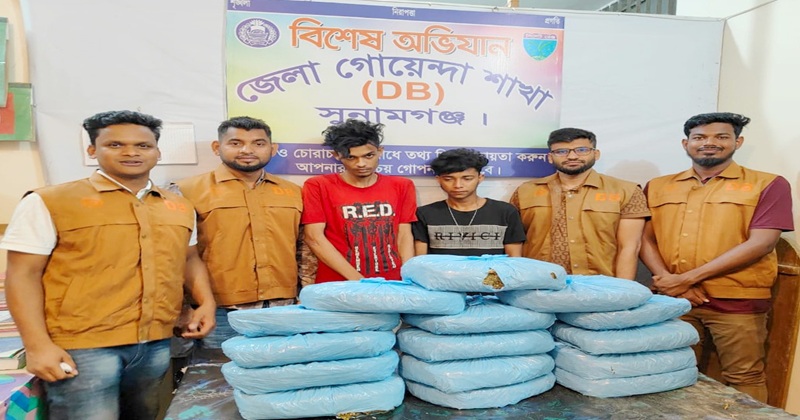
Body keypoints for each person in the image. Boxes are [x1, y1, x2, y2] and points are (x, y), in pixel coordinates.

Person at [0, 110, 216, 419]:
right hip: (83, 347)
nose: (131, 152)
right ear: (92, 150)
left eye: (142, 145)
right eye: (115, 145)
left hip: (155, 342)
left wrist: (205, 303)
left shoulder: (178, 206)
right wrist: (36, 346)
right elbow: (22, 275)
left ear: (157, 152)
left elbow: (189, 258)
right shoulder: (50, 201)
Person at [640, 112, 793, 403]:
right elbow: (644, 239)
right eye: (699, 137)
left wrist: (686, 279)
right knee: (671, 371)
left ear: (738, 142)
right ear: (686, 144)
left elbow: (762, 243)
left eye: (721, 136)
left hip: (738, 301)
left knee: (744, 376)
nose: (709, 143)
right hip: (674, 300)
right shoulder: (658, 186)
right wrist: (671, 282)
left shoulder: (768, 184)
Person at [175, 116, 303, 348]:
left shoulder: (294, 192)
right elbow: (175, 256)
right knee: (219, 371)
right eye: (236, 143)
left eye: (258, 143)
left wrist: (306, 298)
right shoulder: (186, 191)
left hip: (286, 310)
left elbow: (305, 249)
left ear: (273, 149)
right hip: (218, 313)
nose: (247, 150)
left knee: (282, 370)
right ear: (217, 147)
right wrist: (182, 308)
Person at [509, 127, 650, 279]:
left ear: (596, 154)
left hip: (601, 284)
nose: (572, 156)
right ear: (550, 157)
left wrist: (623, 288)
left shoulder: (626, 191)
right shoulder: (525, 192)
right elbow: (513, 242)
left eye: (582, 150)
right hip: (539, 283)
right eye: (561, 151)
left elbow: (629, 247)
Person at [302, 119, 417, 282]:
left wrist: (407, 277)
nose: (361, 164)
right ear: (337, 155)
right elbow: (314, 238)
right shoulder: (318, 185)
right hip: (340, 283)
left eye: (368, 155)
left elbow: (404, 235)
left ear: (380, 151)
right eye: (351, 157)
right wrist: (359, 281)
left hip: (393, 281)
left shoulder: (402, 185)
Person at [413, 148, 526, 256]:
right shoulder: (425, 214)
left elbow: (514, 258)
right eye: (448, 179)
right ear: (438, 180)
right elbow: (420, 260)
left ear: (480, 178)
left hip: (492, 271)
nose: (458, 185)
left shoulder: (505, 212)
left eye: (467, 179)